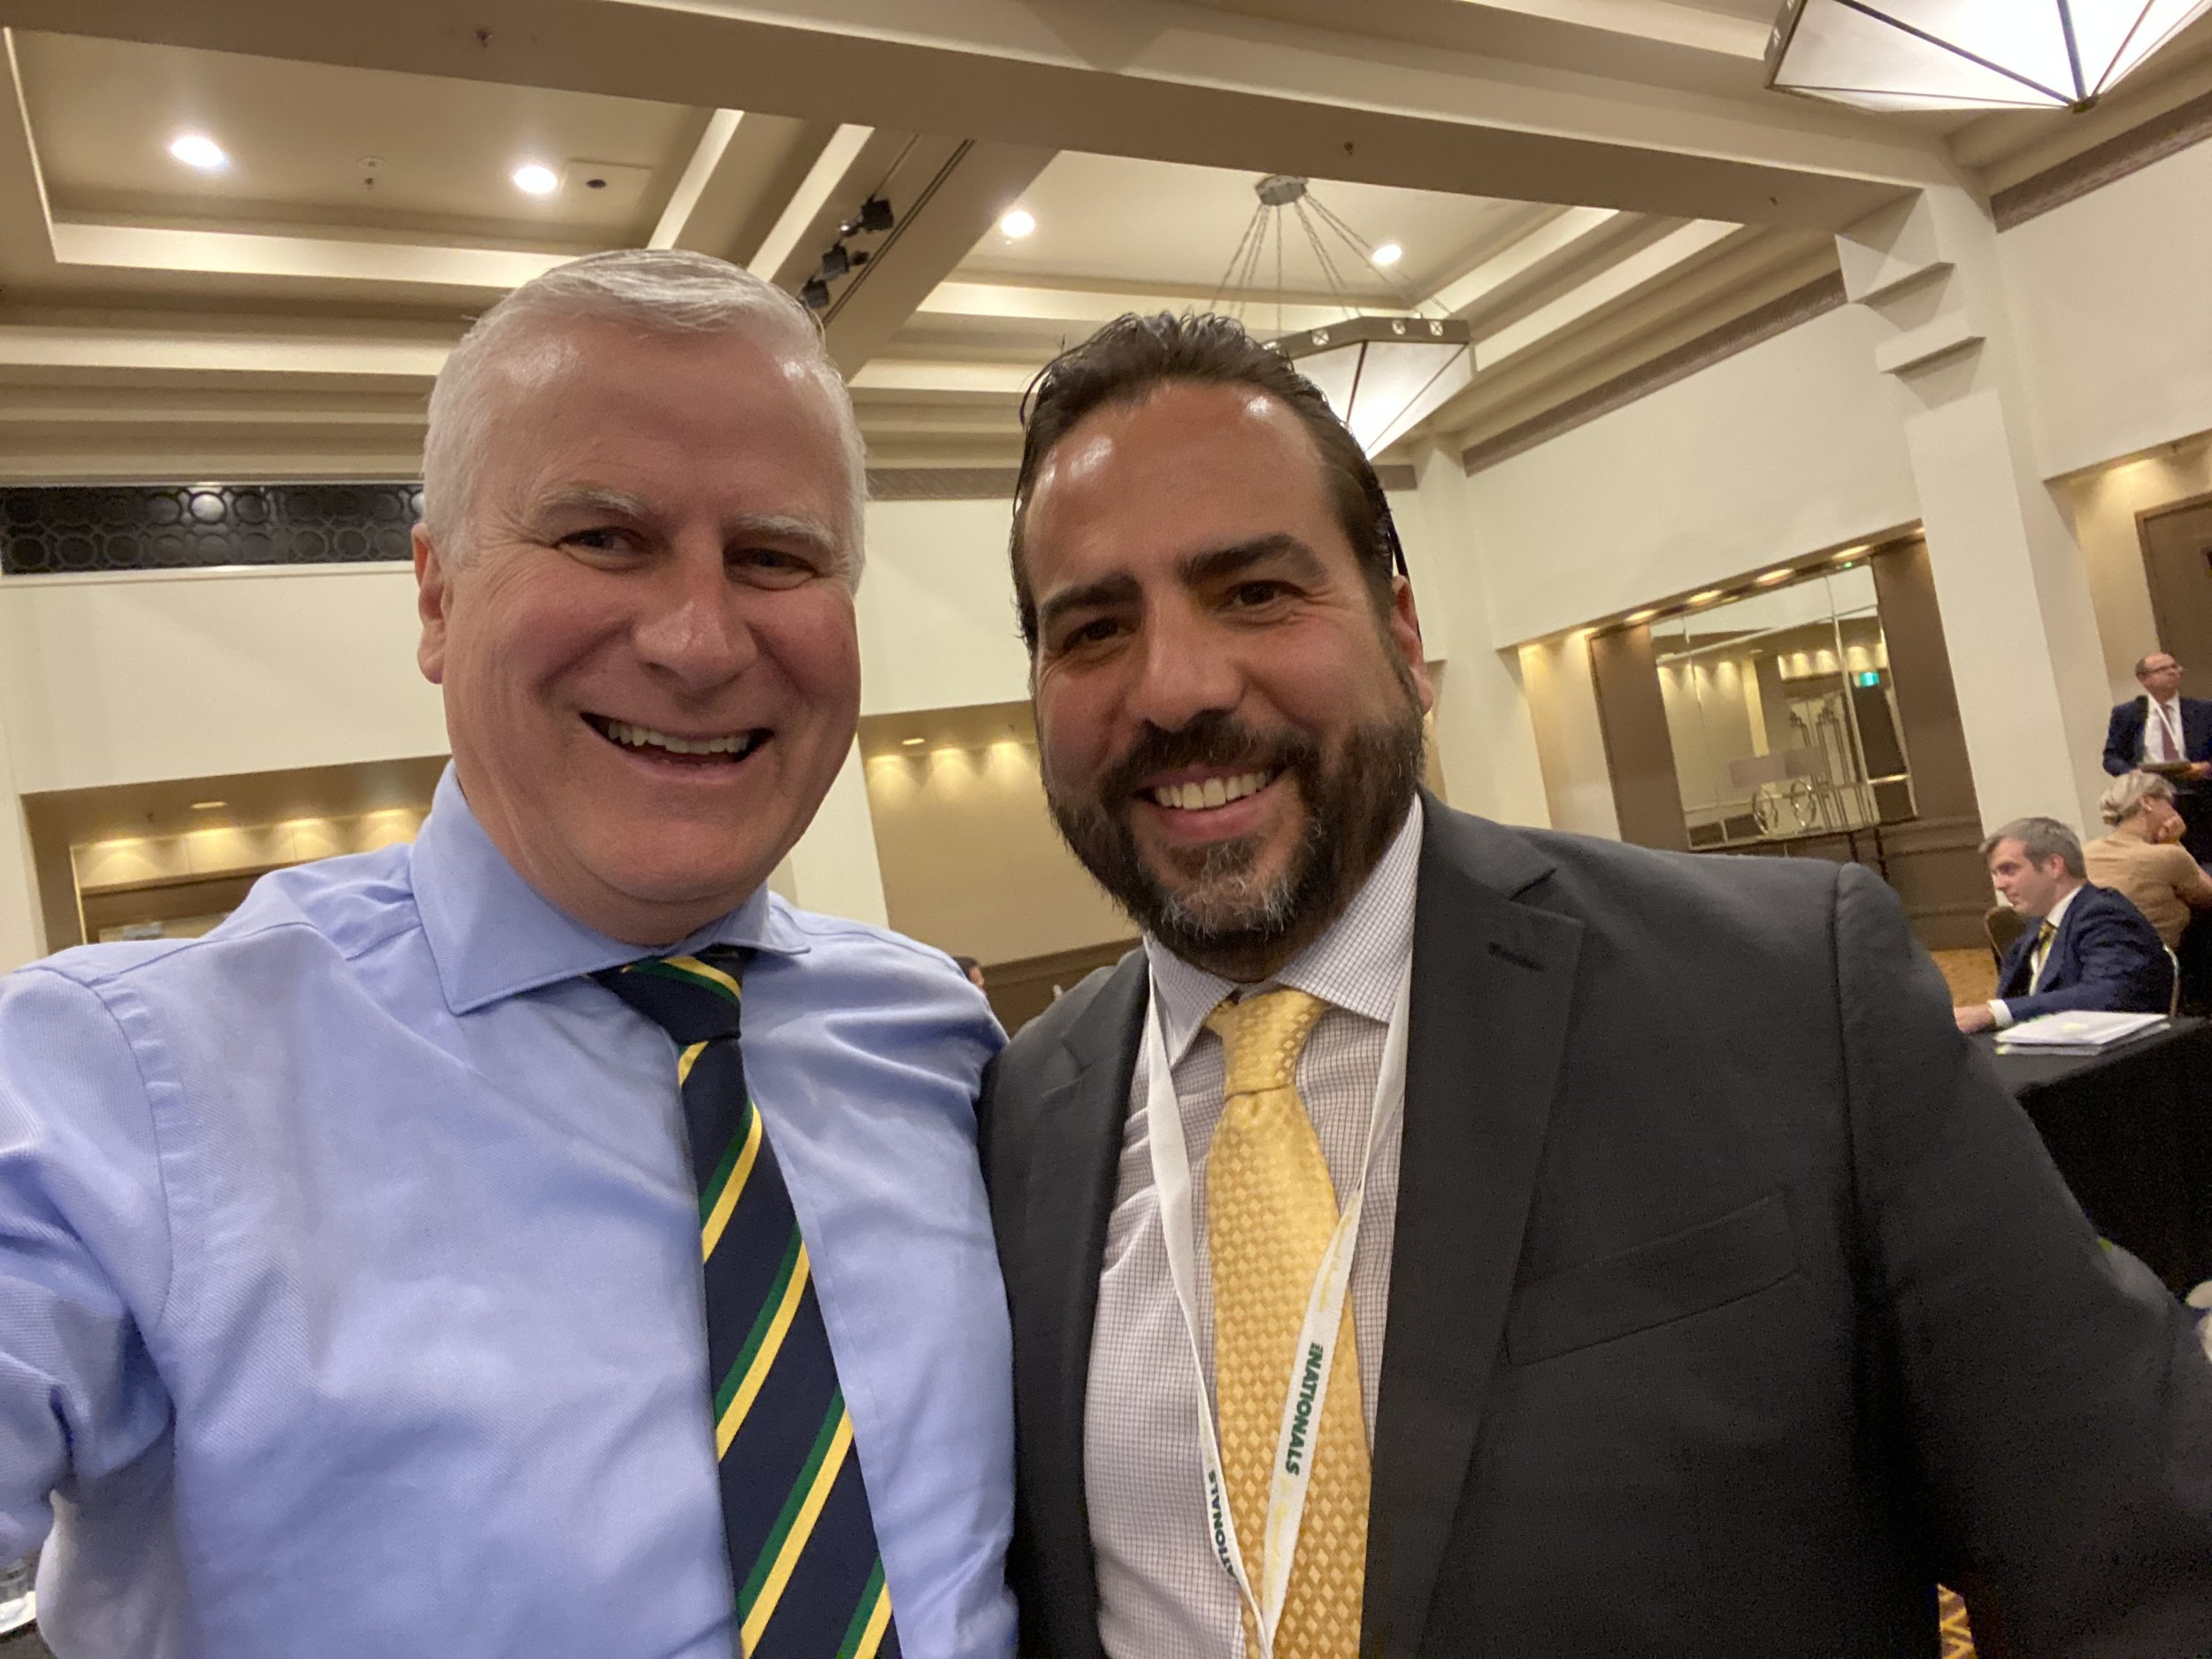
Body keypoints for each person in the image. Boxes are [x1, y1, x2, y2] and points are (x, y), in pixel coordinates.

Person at [978, 311, 2212, 1658]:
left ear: (1402, 629)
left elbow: (2139, 1554)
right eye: (1093, 628)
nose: (1174, 686)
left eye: (1256, 592)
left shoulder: (1786, 993)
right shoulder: (1020, 1116)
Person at [0, 250, 1015, 1656]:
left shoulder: (938, 1041)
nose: (699, 638)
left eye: (776, 556)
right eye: (604, 536)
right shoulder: (110, 1087)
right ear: (435, 596)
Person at [1955, 815, 2175, 1033]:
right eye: (1995, 874)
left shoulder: (2105, 915)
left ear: (2054, 865)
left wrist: (1995, 1012)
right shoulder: (2039, 924)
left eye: (2008, 870)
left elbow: (2105, 995)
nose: (1999, 884)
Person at [2083, 770, 2212, 949]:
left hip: (2092, 953)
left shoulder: (2086, 852)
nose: (2174, 814)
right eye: (2169, 805)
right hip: (2148, 958)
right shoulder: (2167, 856)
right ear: (2147, 802)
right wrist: (2174, 843)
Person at [2104, 651, 2212, 861]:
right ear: (2143, 679)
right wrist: (2133, 774)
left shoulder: (2205, 711)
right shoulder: (2128, 714)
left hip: (2198, 795)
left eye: (2174, 667)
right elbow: (2111, 757)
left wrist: (2206, 768)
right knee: (2162, 860)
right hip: (2151, 798)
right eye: (2163, 669)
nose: (2172, 672)